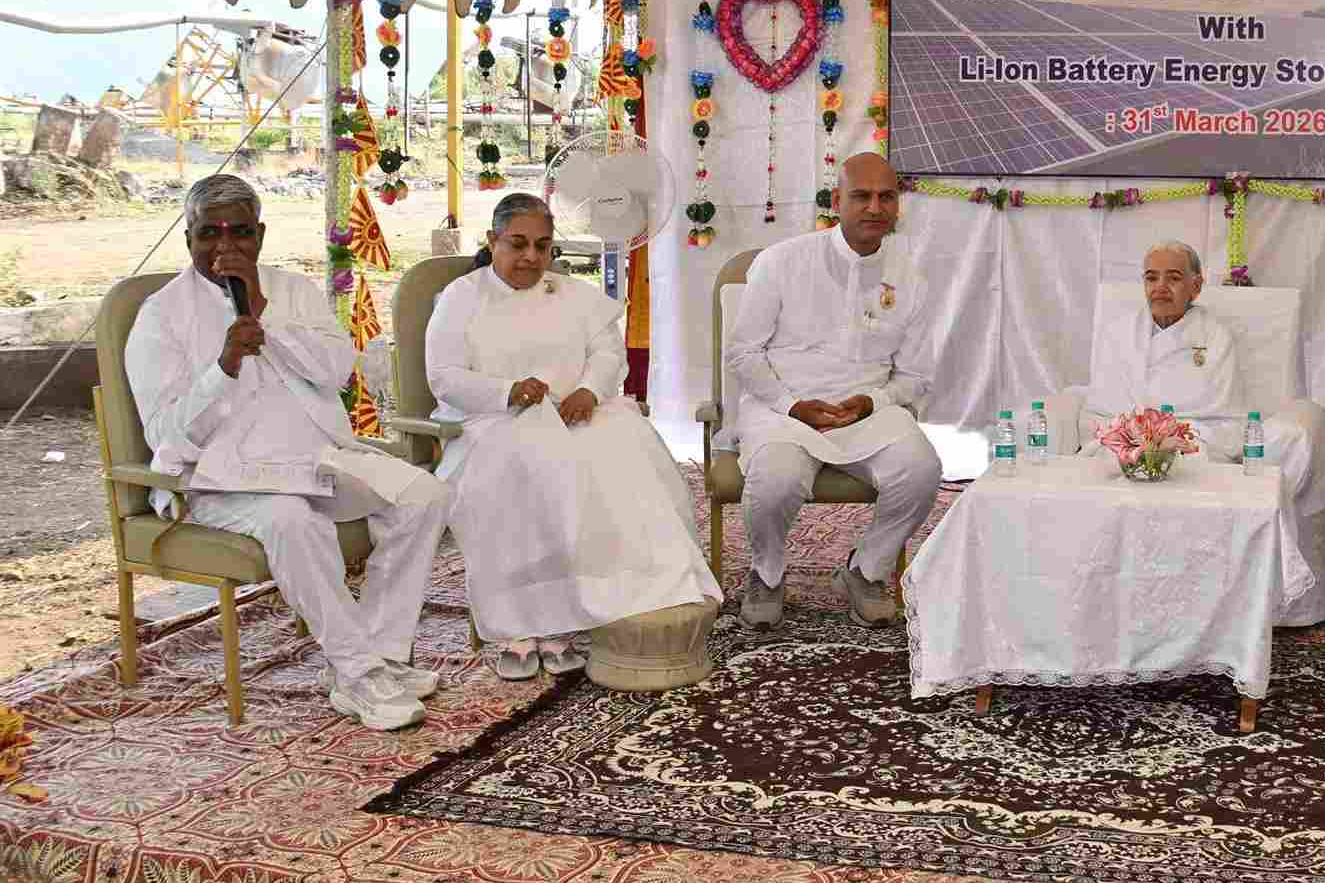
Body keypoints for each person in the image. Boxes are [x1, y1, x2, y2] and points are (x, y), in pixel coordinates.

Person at [124, 175, 450, 731]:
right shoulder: (161, 316)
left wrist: (264, 315)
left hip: (314, 456)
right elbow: (168, 438)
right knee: (292, 520)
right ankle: (357, 672)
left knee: (425, 495)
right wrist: (224, 366)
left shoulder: (293, 290)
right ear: (188, 238)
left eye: (239, 232)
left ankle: (382, 655)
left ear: (260, 235)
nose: (224, 245)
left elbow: (336, 372)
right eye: (209, 233)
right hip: (221, 478)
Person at [426, 193, 723, 680]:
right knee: (531, 468)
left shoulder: (572, 294)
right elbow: (443, 376)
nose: (531, 257)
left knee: (623, 453)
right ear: (493, 240)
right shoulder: (462, 298)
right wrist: (507, 391)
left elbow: (608, 354)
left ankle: (584, 608)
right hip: (496, 422)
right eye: (517, 244)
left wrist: (588, 390)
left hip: (576, 413)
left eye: (542, 246)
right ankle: (521, 623)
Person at [725, 153, 943, 630]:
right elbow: (743, 353)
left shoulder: (910, 277)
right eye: (861, 196)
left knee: (922, 470)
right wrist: (792, 405)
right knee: (776, 478)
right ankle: (767, 574)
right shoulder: (782, 261)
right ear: (835, 201)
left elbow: (915, 375)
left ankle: (866, 572)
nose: (875, 208)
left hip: (865, 411)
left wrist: (873, 401)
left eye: (886, 197)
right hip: (783, 407)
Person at [1080, 240, 1325, 624]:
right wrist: (1135, 434)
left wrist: (1169, 436)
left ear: (1195, 287)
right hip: (1125, 440)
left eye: (1173, 278)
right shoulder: (1119, 332)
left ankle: (1200, 606)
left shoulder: (1215, 335)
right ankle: (1106, 598)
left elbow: (1223, 412)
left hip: (1195, 441)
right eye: (1151, 278)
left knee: (1198, 473)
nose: (1160, 287)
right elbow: (1103, 403)